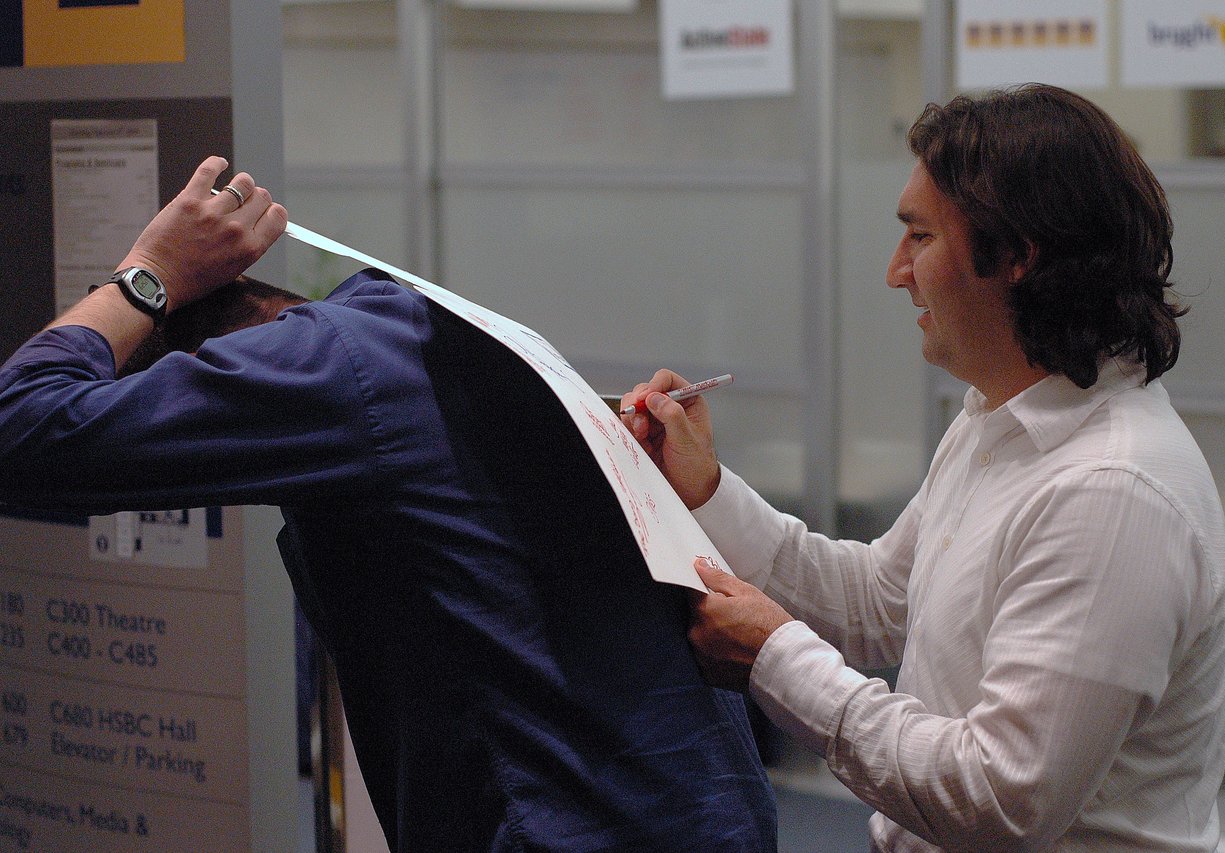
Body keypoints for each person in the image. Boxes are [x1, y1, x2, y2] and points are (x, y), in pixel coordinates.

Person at [0, 157, 777, 851]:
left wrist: (147, 272)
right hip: (704, 807)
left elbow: (21, 427)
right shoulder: (422, 328)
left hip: (577, 822)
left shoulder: (316, 367)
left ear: (213, 363)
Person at [623, 84, 1225, 851]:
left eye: (919, 237)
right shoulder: (1000, 419)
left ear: (1016, 255)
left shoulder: (1111, 492)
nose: (895, 272)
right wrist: (704, 488)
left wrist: (775, 658)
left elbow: (999, 802)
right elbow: (879, 599)